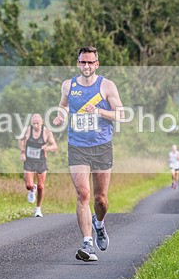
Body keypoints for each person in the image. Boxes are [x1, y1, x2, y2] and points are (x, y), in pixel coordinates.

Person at [53, 46, 124, 262]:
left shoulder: (107, 85)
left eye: (90, 62)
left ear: (97, 64)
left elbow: (121, 114)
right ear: (78, 64)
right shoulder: (68, 85)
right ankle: (87, 243)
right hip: (77, 146)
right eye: (83, 62)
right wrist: (60, 116)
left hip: (102, 146)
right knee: (83, 194)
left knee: (100, 199)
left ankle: (99, 224)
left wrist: (100, 111)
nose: (86, 66)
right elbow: (63, 106)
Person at [18, 113, 58, 217]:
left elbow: (54, 146)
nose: (35, 126)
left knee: (41, 186)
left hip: (41, 161)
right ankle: (32, 189)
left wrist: (47, 148)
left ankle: (38, 209)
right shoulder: (27, 130)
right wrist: (22, 152)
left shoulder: (46, 131)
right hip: (29, 161)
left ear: (42, 122)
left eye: (37, 123)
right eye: (33, 123)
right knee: (28, 185)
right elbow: (20, 140)